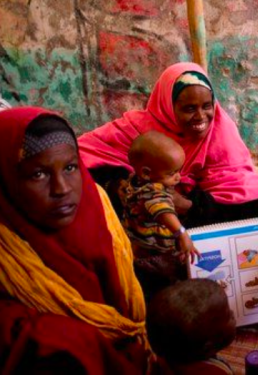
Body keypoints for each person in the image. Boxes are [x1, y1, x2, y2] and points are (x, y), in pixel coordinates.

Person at [0, 107, 150, 373]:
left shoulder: (96, 207)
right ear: (7, 179)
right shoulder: (7, 252)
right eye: (38, 174)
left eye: (70, 167)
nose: (62, 189)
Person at [78, 62, 258, 228]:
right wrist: (115, 185)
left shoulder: (221, 132)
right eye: (189, 108)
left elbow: (255, 199)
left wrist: (189, 205)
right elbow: (80, 157)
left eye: (207, 106)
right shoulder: (135, 129)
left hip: (190, 222)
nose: (200, 117)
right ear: (168, 106)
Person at [120, 131, 200, 298]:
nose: (178, 177)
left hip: (135, 239)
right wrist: (182, 234)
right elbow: (163, 211)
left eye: (179, 170)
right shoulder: (153, 193)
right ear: (147, 173)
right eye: (171, 173)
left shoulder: (134, 180)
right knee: (166, 280)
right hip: (156, 250)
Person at [147, 279, 236, 375]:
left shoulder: (169, 353)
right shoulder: (214, 372)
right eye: (228, 316)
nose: (233, 313)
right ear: (207, 347)